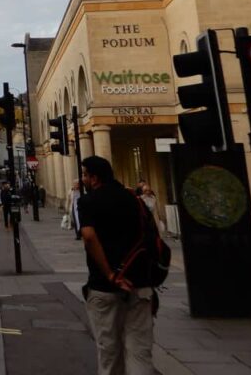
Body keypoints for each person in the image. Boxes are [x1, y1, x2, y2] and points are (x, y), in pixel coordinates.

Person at [78, 155, 154, 375]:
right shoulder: (134, 199)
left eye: (84, 175)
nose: (83, 179)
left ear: (94, 178)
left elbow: (89, 236)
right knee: (139, 351)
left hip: (105, 287)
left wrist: (111, 274)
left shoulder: (88, 201)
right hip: (139, 283)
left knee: (109, 352)